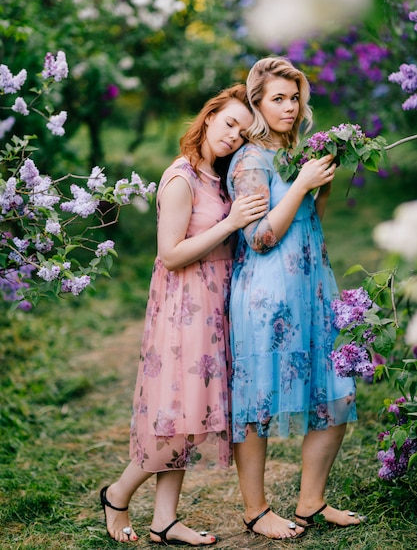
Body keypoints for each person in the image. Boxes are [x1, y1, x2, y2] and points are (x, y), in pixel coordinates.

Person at [99, 84, 268, 545]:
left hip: (214, 307)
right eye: (229, 123)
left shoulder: (216, 177)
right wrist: (230, 223)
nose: (234, 136)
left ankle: (164, 521)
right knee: (178, 418)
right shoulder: (181, 178)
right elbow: (170, 255)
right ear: (209, 116)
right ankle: (117, 494)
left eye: (243, 132)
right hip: (184, 311)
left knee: (188, 418)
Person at [226, 56, 364, 541]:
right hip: (266, 295)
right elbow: (259, 237)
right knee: (257, 403)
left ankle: (311, 502)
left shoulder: (295, 154)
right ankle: (255, 509)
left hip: (311, 284)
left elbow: (313, 219)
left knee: (334, 392)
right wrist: (301, 183)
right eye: (278, 99)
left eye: (295, 98)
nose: (289, 107)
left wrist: (317, 182)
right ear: (258, 104)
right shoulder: (250, 162)